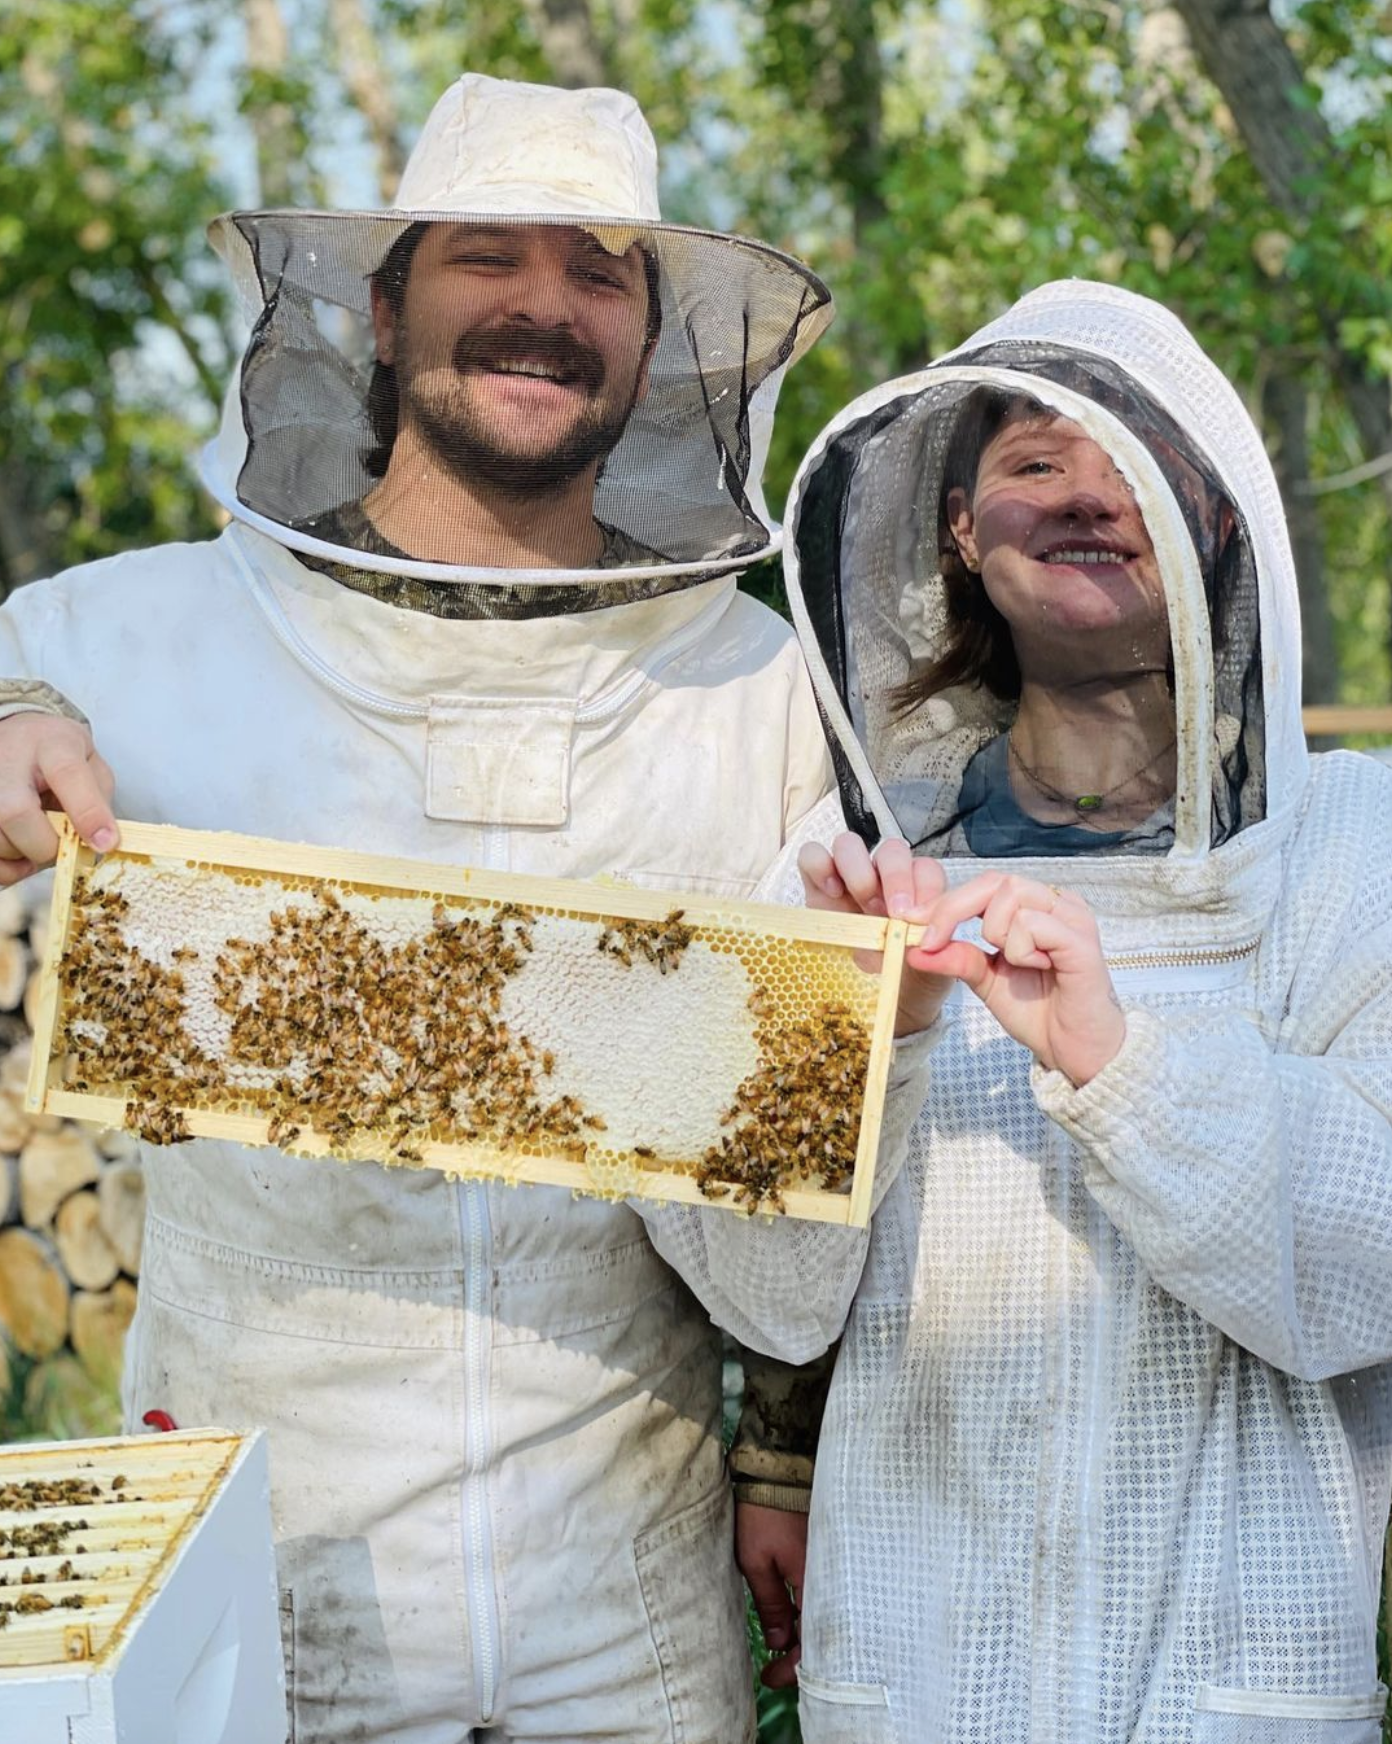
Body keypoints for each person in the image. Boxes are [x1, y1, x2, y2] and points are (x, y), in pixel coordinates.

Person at [0, 74, 836, 1743]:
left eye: (600, 271)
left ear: (657, 336)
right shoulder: (117, 635)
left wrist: (783, 1460)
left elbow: (820, 1138)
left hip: (634, 1613)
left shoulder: (763, 690)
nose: (545, 308)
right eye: (487, 259)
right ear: (384, 312)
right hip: (263, 1577)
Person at [639, 279, 1392, 1743]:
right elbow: (756, 1289)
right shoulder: (832, 868)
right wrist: (884, 1041)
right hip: (918, 1682)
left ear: (1218, 522)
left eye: (1133, 464)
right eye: (1033, 463)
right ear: (960, 536)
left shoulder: (1362, 851)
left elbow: (1375, 1262)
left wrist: (1116, 1063)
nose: (1084, 495)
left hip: (1243, 1684)